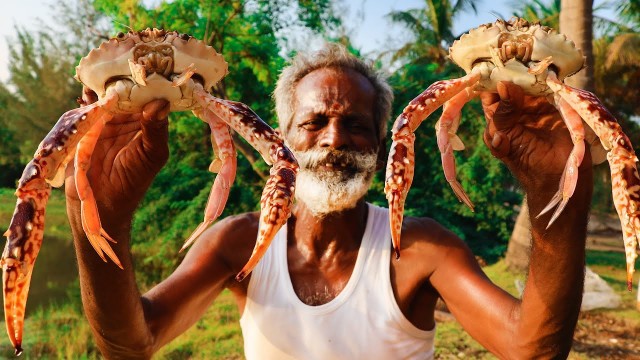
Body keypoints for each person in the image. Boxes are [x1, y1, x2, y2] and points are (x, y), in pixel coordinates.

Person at [65, 43, 592, 359]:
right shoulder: (239, 243)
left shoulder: (420, 248)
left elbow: (534, 349)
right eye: (314, 122)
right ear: (280, 138)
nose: (335, 140)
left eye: (356, 126)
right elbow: (132, 344)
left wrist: (555, 190)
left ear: (383, 143)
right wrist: (101, 213)